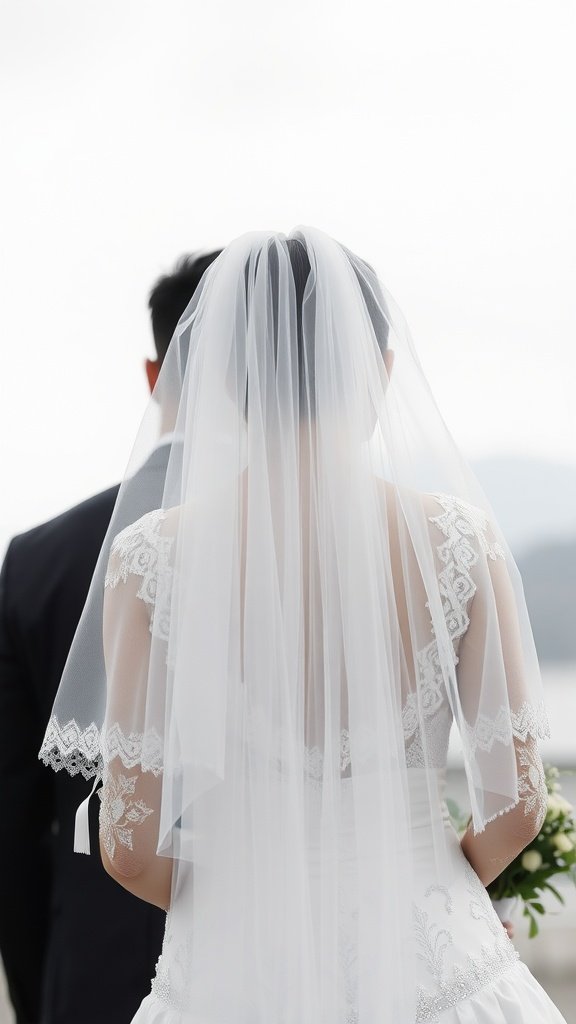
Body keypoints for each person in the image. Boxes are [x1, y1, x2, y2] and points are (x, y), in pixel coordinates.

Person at [40, 229, 566, 1022]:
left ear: (223, 380)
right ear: (380, 369)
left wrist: (247, 901)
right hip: (438, 955)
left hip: (228, 969)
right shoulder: (460, 541)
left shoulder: (149, 559)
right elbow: (519, 802)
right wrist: (427, 887)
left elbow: (128, 847)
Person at [0, 250, 221, 1024]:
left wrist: (42, 991)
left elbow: (14, 819)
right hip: (296, 966)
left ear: (154, 374)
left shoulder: (38, 560)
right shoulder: (329, 546)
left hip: (93, 965)